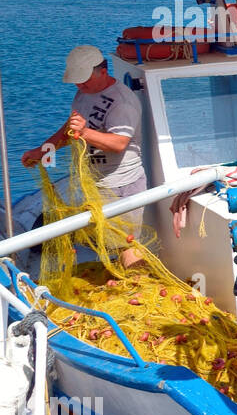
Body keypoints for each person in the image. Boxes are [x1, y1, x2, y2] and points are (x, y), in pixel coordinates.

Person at [21, 45, 146, 268]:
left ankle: (138, 287)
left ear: (103, 72)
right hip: (95, 184)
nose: (79, 85)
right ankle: (118, 276)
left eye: (84, 80)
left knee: (125, 244)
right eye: (77, 80)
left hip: (121, 186)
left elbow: (119, 143)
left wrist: (85, 132)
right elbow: (69, 129)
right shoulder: (84, 92)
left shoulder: (122, 102)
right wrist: (42, 150)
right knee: (106, 241)